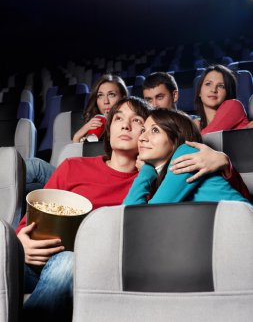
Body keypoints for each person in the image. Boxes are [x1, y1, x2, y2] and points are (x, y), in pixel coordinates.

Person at [17, 96, 150, 322]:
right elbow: (27, 222)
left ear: (147, 134)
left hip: (93, 273)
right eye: (118, 118)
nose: (126, 124)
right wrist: (21, 243)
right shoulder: (72, 166)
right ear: (109, 129)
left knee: (68, 261)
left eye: (136, 121)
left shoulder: (149, 182)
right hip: (36, 264)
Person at [123, 108, 250, 206]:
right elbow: (129, 214)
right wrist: (148, 169)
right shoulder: (162, 174)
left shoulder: (186, 153)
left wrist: (145, 171)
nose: (142, 138)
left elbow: (143, 216)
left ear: (176, 139)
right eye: (143, 130)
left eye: (155, 130)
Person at [25, 74, 128, 190]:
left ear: (123, 97)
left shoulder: (128, 127)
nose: (105, 101)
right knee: (30, 188)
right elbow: (79, 158)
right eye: (100, 96)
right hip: (79, 177)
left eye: (111, 95)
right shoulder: (95, 125)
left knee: (35, 166)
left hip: (94, 183)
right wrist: (80, 134)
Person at [194, 64, 252, 134]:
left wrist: (194, 133)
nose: (213, 90)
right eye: (208, 84)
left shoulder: (234, 105)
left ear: (228, 92)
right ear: (199, 91)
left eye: (221, 86)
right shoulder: (197, 124)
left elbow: (207, 136)